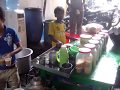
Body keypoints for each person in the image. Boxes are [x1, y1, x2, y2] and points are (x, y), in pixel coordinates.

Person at [0, 7, 22, 89]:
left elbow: (20, 47)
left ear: (3, 20)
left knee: (16, 88)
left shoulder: (10, 32)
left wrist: (10, 54)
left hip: (12, 69)